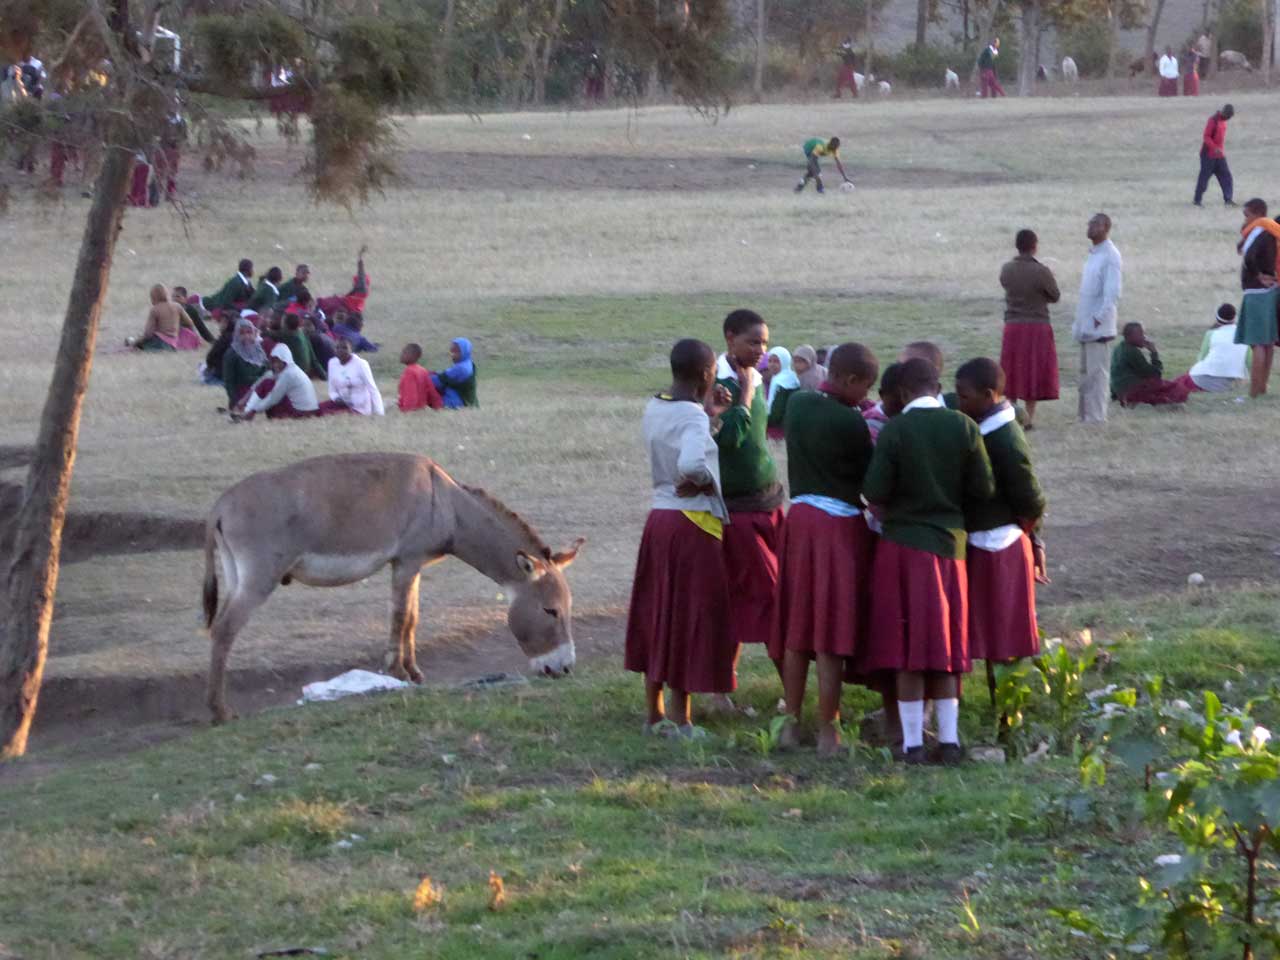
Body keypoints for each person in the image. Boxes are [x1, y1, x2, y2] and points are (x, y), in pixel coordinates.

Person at [859, 358, 996, 765]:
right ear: (938, 386)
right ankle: (950, 741)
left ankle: (914, 744)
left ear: (901, 393)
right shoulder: (964, 427)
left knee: (908, 650)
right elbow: (984, 488)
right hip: (950, 548)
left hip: (901, 548)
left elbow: (875, 489)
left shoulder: (897, 429)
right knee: (946, 645)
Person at [624, 338, 736, 735]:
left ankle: (653, 714)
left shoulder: (656, 404)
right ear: (707, 374)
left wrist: (713, 417)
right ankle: (681, 718)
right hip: (693, 524)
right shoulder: (692, 416)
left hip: (660, 518)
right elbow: (691, 461)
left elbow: (681, 442)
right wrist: (701, 479)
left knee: (660, 612)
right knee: (688, 616)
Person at [774, 343, 880, 755]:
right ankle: (828, 729)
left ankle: (788, 723)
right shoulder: (853, 424)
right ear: (852, 381)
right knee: (830, 633)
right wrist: (864, 413)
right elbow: (869, 482)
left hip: (798, 520)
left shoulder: (799, 405)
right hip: (838, 526)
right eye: (863, 387)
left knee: (798, 630)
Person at [954, 358, 1048, 678]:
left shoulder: (1004, 437)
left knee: (1003, 634)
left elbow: (1030, 496)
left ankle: (1006, 710)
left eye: (964, 396)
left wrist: (1033, 536)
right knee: (992, 632)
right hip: (985, 539)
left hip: (999, 542)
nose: (960, 403)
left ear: (991, 394)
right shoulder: (985, 427)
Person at [715, 308, 786, 686]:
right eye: (753, 341)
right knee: (765, 599)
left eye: (764, 342)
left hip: (767, 504)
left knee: (753, 598)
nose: (762, 349)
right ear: (730, 337)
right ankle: (791, 700)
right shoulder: (717, 383)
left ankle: (724, 688)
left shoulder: (754, 376)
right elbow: (728, 439)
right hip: (738, 512)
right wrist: (743, 397)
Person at [999, 229, 1061, 429]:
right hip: (1037, 325)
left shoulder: (1007, 269)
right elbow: (1054, 295)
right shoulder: (1041, 271)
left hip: (1013, 325)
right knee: (1032, 371)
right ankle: (1029, 418)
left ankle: (1011, 414)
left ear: (1017, 246)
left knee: (1013, 370)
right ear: (1035, 246)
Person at [1072, 213, 1123, 424]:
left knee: (1097, 375)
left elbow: (1113, 293)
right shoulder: (1094, 254)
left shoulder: (1111, 255)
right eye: (1089, 222)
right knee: (1085, 374)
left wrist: (1098, 319)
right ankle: (1085, 416)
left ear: (1106, 227)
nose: (1090, 226)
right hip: (1086, 323)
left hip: (1098, 326)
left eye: (1095, 224)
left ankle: (1096, 418)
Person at [1235, 198, 1280, 397]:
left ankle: (1254, 392)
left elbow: (1250, 257)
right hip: (1271, 291)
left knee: (1258, 342)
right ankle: (1262, 387)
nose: (1245, 219)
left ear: (1256, 213)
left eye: (1247, 215)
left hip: (1256, 292)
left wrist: (1258, 274)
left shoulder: (1260, 230)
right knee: (1268, 341)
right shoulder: (1271, 230)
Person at [1110, 322, 1192, 407]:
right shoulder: (1132, 351)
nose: (1144, 337)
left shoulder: (1119, 348)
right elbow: (1155, 375)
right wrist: (1154, 352)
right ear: (1129, 336)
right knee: (1178, 389)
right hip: (1132, 391)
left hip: (1119, 391)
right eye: (1140, 334)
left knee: (1168, 387)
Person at [1174, 303, 1249, 394]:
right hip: (1226, 385)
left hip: (1200, 379)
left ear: (1217, 318)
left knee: (1176, 384)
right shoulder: (1244, 335)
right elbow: (1247, 362)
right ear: (1234, 317)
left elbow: (1201, 358)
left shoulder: (1211, 333)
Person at [237, 344, 319, 420]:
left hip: (300, 413)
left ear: (285, 360)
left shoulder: (288, 374)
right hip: (307, 411)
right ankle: (247, 410)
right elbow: (267, 377)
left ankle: (248, 411)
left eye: (278, 361)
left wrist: (254, 410)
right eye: (274, 362)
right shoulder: (292, 369)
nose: (275, 365)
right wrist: (245, 399)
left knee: (268, 385)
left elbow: (273, 398)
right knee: (267, 382)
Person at [323, 336, 385, 416]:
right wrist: (336, 398)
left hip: (359, 407)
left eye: (344, 348)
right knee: (317, 409)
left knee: (332, 414)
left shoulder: (361, 364)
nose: (340, 351)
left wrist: (379, 413)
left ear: (352, 349)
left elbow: (372, 389)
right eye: (337, 348)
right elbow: (332, 390)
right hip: (340, 404)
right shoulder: (332, 363)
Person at [134, 284, 202, 350]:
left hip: (159, 343)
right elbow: (190, 323)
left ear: (153, 297)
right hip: (174, 344)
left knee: (137, 345)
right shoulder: (177, 306)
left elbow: (148, 333)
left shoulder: (155, 309)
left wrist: (137, 343)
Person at [1193, 104, 1235, 207]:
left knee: (1227, 177)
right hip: (1208, 155)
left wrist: (1220, 150)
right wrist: (1214, 148)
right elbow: (1206, 137)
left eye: (1230, 117)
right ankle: (1197, 200)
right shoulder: (1213, 120)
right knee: (1204, 179)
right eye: (1228, 116)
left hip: (1219, 156)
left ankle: (1228, 199)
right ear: (1224, 112)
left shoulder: (1223, 121)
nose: (1228, 118)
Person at [221, 317, 269, 406]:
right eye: (242, 333)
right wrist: (235, 402)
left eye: (249, 332)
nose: (246, 336)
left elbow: (266, 372)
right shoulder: (232, 354)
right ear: (236, 334)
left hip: (260, 391)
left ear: (254, 333)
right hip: (241, 394)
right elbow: (229, 382)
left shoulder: (258, 350)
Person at [316, 245, 371, 318]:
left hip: (344, 306)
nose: (354, 283)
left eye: (355, 282)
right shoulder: (359, 292)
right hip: (345, 308)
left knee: (323, 304)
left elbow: (361, 274)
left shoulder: (362, 289)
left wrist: (360, 257)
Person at [765, 347, 801, 439]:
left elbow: (776, 413)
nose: (772, 365)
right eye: (770, 361)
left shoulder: (782, 383)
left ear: (784, 362)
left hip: (781, 430)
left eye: (776, 361)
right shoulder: (790, 376)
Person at [432, 338, 479, 408]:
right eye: (452, 351)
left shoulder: (461, 368)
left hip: (459, 402)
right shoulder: (468, 363)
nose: (452, 355)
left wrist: (423, 376)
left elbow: (437, 381)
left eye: (456, 352)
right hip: (469, 401)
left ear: (464, 351)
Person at [398, 343, 444, 412]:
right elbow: (432, 392)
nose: (401, 355)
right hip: (421, 409)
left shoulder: (409, 371)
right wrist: (438, 406)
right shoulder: (423, 370)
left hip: (411, 410)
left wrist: (407, 411)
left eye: (404, 352)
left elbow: (410, 395)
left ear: (413, 356)